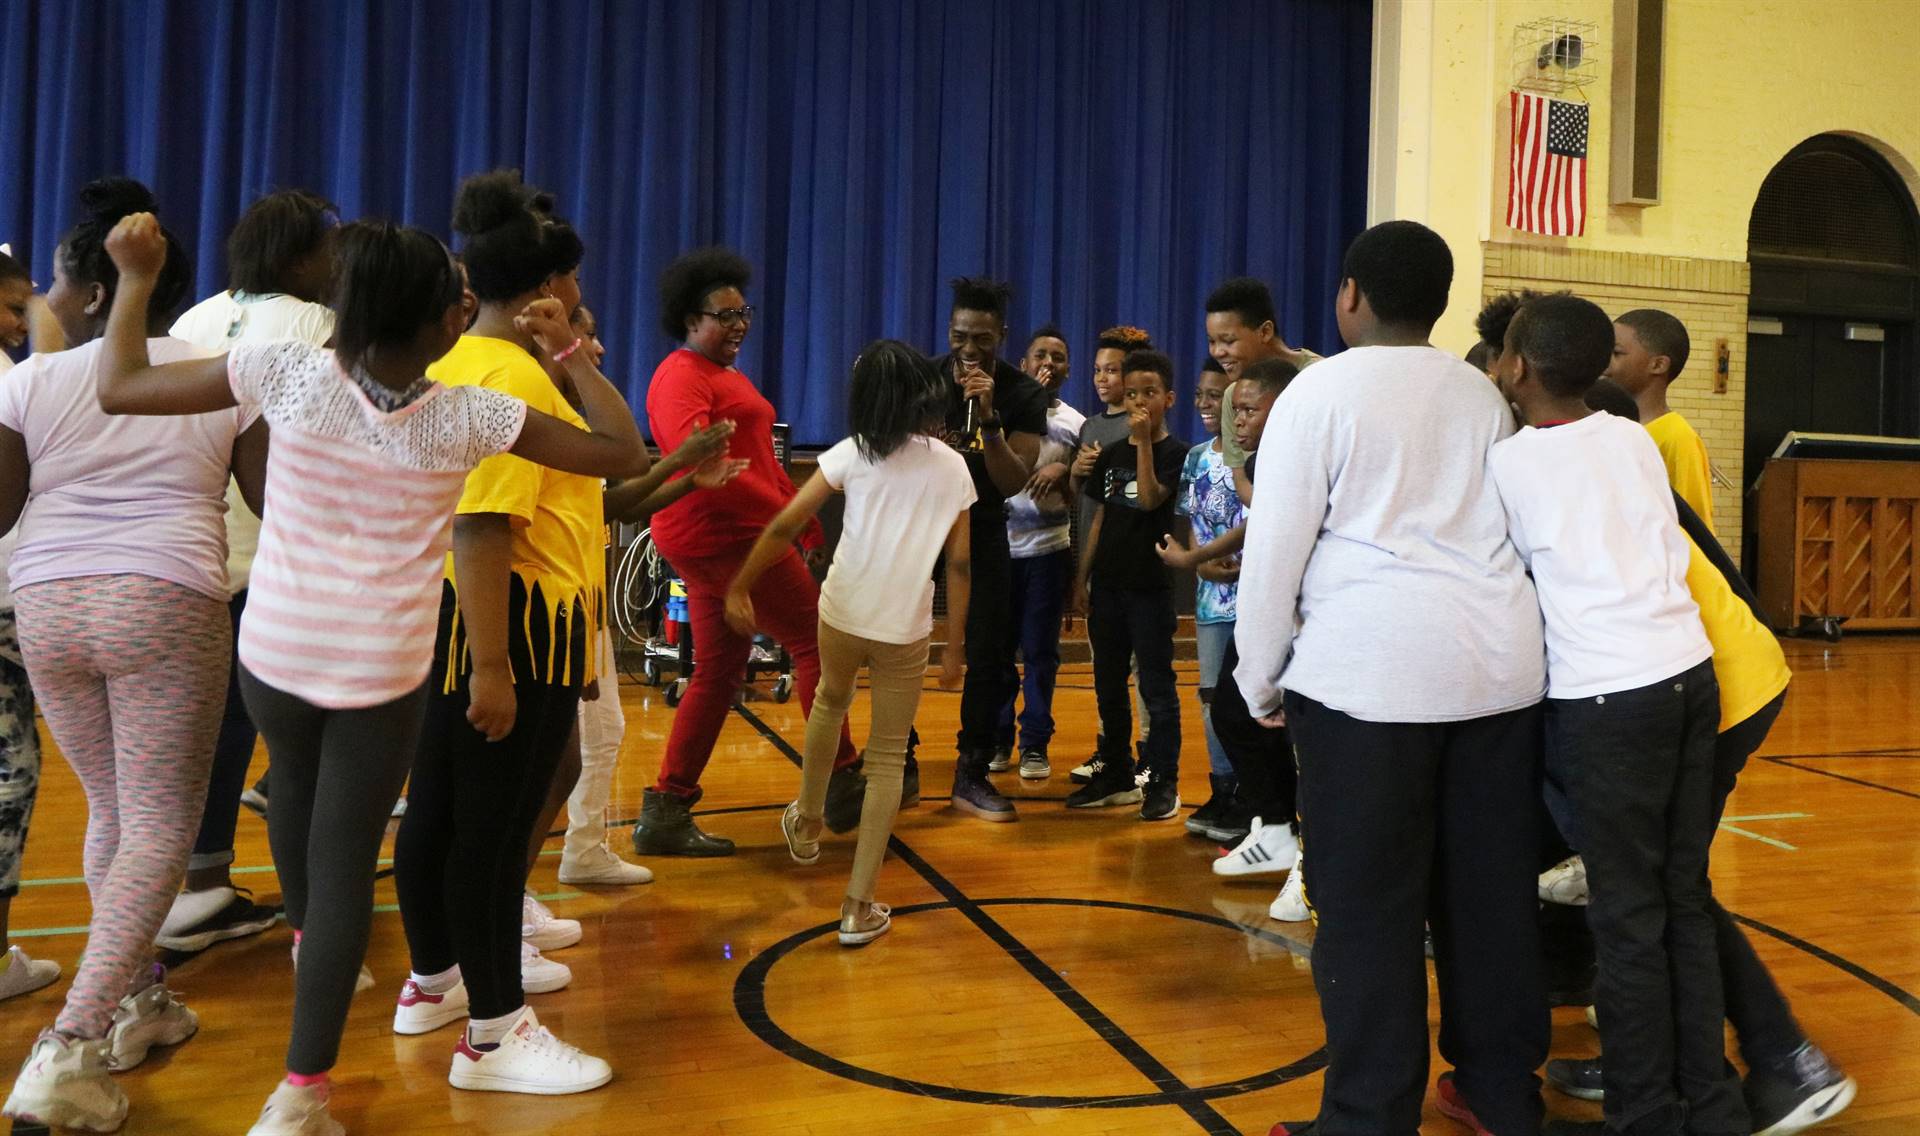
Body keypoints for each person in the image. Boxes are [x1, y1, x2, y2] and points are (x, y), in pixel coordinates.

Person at [96, 207, 651, 1130]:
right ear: (442, 324)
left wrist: (136, 279)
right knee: (345, 862)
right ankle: (300, 1094)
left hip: (271, 656)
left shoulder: (286, 372)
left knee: (302, 818)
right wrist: (578, 360)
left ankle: (330, 968)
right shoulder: (472, 417)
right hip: (374, 677)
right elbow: (620, 455)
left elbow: (117, 385)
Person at [1239, 221, 1549, 1136]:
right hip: (1498, 675)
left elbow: (1275, 554)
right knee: (1489, 897)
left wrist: (1261, 684)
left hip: (1369, 685)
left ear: (1349, 296)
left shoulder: (1319, 393)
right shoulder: (1483, 396)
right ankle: (1499, 1093)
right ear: (1441, 304)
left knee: (1369, 905)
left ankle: (1369, 1118)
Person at [0, 179, 268, 1133]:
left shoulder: (27, 380)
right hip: (164, 601)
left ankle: (135, 1000)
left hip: (47, 607)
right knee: (157, 820)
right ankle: (66, 1049)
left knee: (117, 811)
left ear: (90, 288)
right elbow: (271, 502)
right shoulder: (220, 372)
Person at [1540, 379, 1858, 1136]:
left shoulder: (1597, 459)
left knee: (1663, 889)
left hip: (1708, 685)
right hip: (1705, 677)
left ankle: (1783, 1058)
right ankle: (1684, 1067)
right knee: (1656, 888)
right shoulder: (1593, 463)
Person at [391, 170, 633, 1096]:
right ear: (545, 291)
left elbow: (614, 461)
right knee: (488, 834)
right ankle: (496, 1033)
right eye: (570, 281)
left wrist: (575, 358)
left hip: (484, 615)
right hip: (507, 618)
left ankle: (437, 982)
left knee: (445, 813)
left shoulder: (462, 363)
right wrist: (493, 664)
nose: (576, 296)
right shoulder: (503, 374)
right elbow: (482, 524)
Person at [1487, 292, 1743, 1136]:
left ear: (1515, 367)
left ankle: (1644, 1117)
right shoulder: (1631, 439)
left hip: (1610, 698)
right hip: (1686, 673)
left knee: (1628, 918)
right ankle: (1708, 1102)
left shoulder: (1513, 464)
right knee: (1682, 899)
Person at [729, 341, 974, 944]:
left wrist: (741, 584)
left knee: (828, 703)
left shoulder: (850, 453)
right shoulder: (952, 466)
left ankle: (808, 818)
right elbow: (961, 566)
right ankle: (857, 907)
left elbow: (786, 523)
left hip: (840, 611)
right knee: (888, 757)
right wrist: (954, 647)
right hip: (904, 628)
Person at [159, 188, 341, 955]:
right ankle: (315, 919)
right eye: (327, 250)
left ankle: (202, 884)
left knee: (213, 727)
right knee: (310, 743)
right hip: (280, 551)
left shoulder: (191, 320)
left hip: (195, 548)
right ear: (300, 257)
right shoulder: (315, 324)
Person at [635, 247, 864, 855]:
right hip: (725, 539)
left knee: (718, 670)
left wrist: (801, 521)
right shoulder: (681, 376)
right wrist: (792, 520)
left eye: (745, 313)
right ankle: (841, 781)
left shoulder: (724, 373)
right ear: (690, 319)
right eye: (724, 315)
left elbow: (758, 460)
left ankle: (667, 807)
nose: (739, 325)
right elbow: (710, 466)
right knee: (817, 643)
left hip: (735, 535)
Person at [548, 303, 739, 888]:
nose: (599, 350)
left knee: (603, 733)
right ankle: (507, 902)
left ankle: (584, 850)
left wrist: (682, 473)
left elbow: (615, 505)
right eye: (588, 334)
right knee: (547, 761)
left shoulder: (571, 420)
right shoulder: (543, 416)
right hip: (550, 605)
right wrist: (679, 462)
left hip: (582, 601)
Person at [1160, 360, 1305, 917]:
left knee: (1296, 738)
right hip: (1258, 610)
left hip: (1302, 620)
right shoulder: (1261, 463)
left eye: (1247, 408)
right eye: (1233, 409)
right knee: (1230, 712)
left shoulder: (1297, 463)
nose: (1236, 419)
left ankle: (1307, 860)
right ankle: (1274, 829)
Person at [932, 277, 1048, 822]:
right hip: (922, 526)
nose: (969, 349)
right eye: (959, 335)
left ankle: (971, 771)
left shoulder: (1023, 393)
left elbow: (1011, 482)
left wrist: (991, 422)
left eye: (981, 338)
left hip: (983, 529)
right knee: (893, 644)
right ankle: (899, 761)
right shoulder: (927, 380)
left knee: (991, 659)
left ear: (1001, 335)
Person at [1066, 349, 1186, 820]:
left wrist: (1142, 444)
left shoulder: (1176, 456)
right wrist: (1082, 579)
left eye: (1149, 393)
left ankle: (1162, 780)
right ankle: (1115, 773)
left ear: (1168, 398)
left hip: (1150, 589)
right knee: (1107, 684)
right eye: (1132, 393)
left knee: (1156, 687)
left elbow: (1151, 496)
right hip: (1109, 587)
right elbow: (1099, 520)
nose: (1139, 402)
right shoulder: (1110, 455)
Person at [0, 248, 57, 1005]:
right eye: (13, 306)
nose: (19, 321)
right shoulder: (14, 383)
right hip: (11, 597)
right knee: (13, 773)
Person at [1065, 325, 1155, 783]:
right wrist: (1076, 472)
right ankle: (1110, 749)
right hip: (1095, 559)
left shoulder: (1142, 424)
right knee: (1106, 667)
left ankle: (1148, 752)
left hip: (1133, 562)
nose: (1103, 379)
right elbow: (1084, 498)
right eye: (1097, 370)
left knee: (1142, 668)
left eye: (1113, 370)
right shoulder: (1090, 425)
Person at [992, 325, 1081, 781]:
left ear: (1068, 369)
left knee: (1041, 653)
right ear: (1023, 364)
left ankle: (1035, 744)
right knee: (999, 652)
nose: (1049, 362)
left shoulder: (1076, 424)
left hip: (1048, 551)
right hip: (1001, 551)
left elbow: (1080, 494)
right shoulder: (1000, 412)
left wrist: (1062, 467)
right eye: (1040, 354)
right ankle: (999, 737)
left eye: (1059, 356)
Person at [1173, 356, 1244, 837]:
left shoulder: (1255, 458)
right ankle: (1221, 789)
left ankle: (1252, 795)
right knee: (1211, 697)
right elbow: (1189, 520)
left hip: (1252, 595)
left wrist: (1232, 563)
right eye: (1200, 393)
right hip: (1208, 602)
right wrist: (1200, 560)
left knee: (1252, 700)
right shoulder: (1196, 456)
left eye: (1215, 395)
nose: (1205, 403)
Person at [1606, 308, 1714, 531]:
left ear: (1658, 365)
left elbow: (1696, 529)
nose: (1605, 363)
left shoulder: (1678, 437)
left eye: (1616, 353)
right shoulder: (1609, 427)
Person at [1203, 276, 1321, 380]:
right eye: (1212, 341)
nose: (1217, 352)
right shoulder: (1233, 393)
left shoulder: (1319, 377)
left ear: (1265, 332)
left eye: (1229, 341)